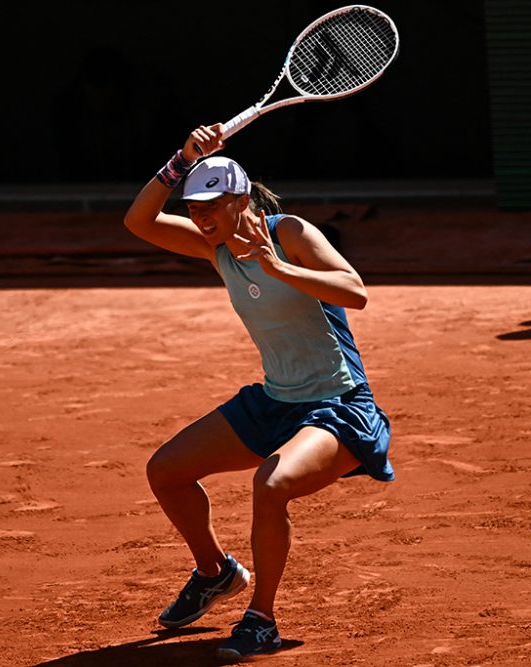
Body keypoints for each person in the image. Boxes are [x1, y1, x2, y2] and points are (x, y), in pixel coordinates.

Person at [123, 124, 394, 661]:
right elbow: (139, 221)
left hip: (338, 405)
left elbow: (356, 293)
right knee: (166, 471)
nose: (200, 218)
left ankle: (261, 620)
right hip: (274, 401)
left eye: (211, 207)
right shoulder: (214, 247)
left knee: (271, 485)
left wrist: (278, 266)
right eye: (195, 208)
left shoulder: (290, 231)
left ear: (241, 198)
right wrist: (180, 160)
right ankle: (215, 573)